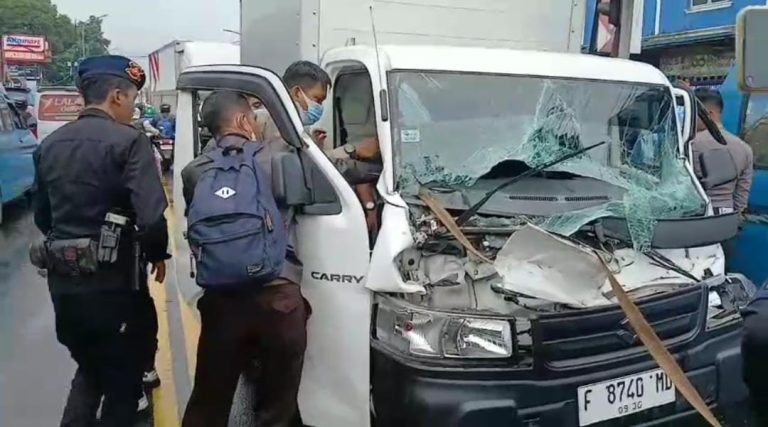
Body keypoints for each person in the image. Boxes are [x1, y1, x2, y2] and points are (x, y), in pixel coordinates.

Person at [32, 55, 170, 427]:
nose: (132, 108)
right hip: (116, 290)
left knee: (91, 369)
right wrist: (158, 255)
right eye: (132, 99)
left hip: (64, 289)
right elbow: (153, 217)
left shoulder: (50, 145)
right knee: (123, 386)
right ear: (116, 97)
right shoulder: (129, 142)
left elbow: (43, 218)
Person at [180, 91, 309, 427]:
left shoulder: (194, 171)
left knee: (210, 397)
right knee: (277, 403)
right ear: (241, 121)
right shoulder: (279, 157)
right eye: (252, 117)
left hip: (223, 300)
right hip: (278, 296)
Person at [691, 88, 754, 216]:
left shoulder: (691, 143)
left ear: (708, 114)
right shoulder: (744, 148)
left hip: (697, 216)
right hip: (727, 217)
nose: (690, 119)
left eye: (693, 114)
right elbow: (742, 195)